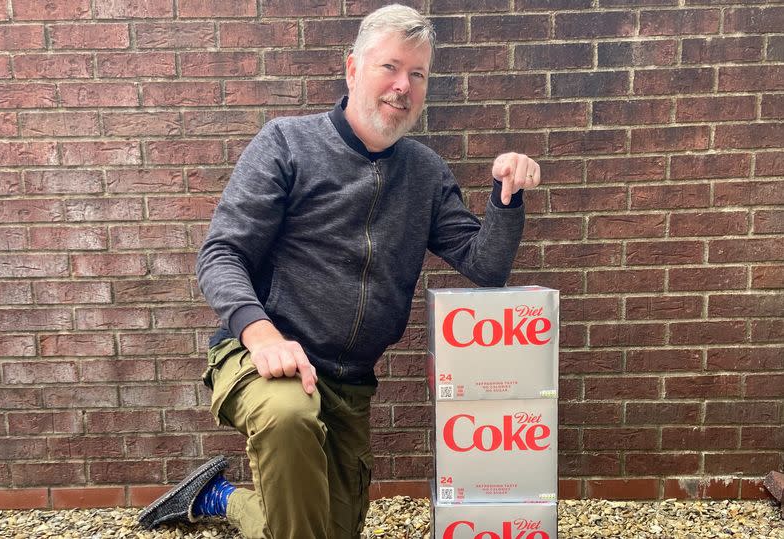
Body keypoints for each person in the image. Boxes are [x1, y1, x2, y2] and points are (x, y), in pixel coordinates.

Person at [138, 4, 541, 538]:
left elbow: (484, 267)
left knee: (320, 527)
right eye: (390, 67)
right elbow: (221, 254)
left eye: (417, 74)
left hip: (349, 385)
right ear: (352, 68)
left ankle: (221, 498)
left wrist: (506, 198)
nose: (403, 86)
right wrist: (262, 336)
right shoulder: (286, 144)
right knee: (288, 417)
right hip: (262, 360)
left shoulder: (424, 173)